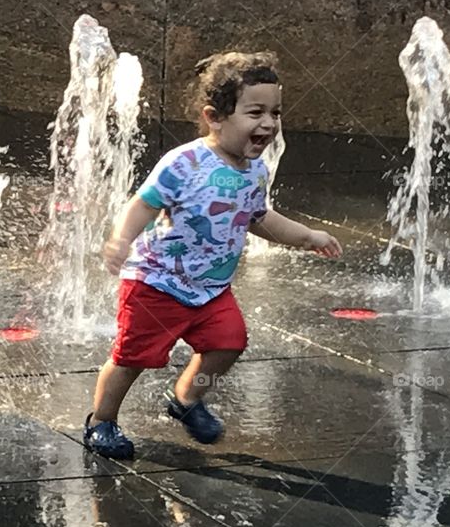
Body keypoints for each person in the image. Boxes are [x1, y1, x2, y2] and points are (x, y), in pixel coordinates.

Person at [84, 51, 343, 459]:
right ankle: (102, 420)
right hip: (156, 282)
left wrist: (306, 236)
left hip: (210, 289)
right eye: (255, 112)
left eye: (275, 113)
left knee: (229, 343)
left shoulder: (255, 170)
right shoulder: (185, 163)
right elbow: (144, 203)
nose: (269, 123)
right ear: (214, 116)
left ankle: (185, 397)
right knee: (131, 358)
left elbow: (259, 217)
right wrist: (121, 239)